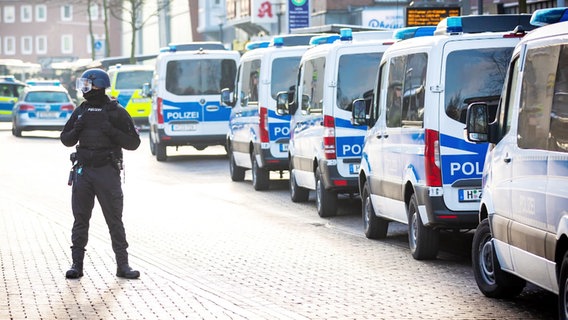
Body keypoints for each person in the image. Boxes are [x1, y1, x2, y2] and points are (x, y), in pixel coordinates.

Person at [60, 68, 141, 279]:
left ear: (99, 86)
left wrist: (111, 131)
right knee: (80, 220)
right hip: (84, 171)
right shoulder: (81, 111)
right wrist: (77, 128)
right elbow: (66, 139)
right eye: (84, 85)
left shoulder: (116, 112)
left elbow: (134, 143)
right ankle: (76, 266)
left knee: (114, 220)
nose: (86, 90)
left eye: (89, 85)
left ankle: (123, 266)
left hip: (107, 171)